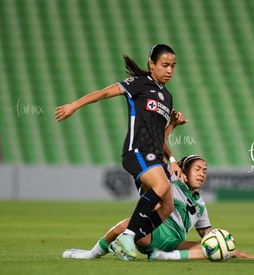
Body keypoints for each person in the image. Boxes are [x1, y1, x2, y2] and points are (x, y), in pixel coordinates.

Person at [55, 44, 184, 260]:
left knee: (167, 207)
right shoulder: (139, 84)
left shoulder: (167, 97)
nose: (170, 70)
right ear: (152, 65)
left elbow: (159, 137)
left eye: (173, 66)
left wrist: (171, 147)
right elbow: (105, 92)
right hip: (137, 152)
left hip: (155, 158)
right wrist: (74, 105)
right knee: (161, 187)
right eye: (165, 65)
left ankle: (97, 251)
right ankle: (128, 237)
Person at [62, 155, 254, 260]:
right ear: (183, 172)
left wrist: (230, 250)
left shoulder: (201, 204)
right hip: (153, 234)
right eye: (198, 169)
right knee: (125, 226)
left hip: (174, 244)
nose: (203, 173)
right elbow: (158, 158)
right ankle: (91, 254)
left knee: (212, 252)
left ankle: (163, 257)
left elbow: (208, 237)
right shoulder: (170, 185)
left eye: (205, 170)